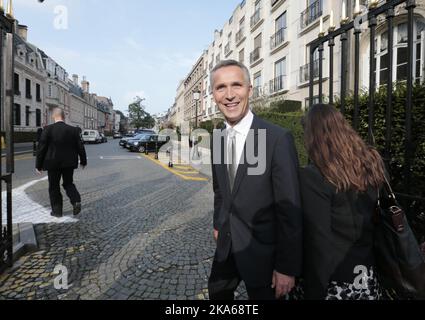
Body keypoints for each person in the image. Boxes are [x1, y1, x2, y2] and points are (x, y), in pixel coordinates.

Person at [208, 60, 302, 300]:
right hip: (227, 248)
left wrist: (286, 268)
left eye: (236, 85)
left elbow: (290, 210)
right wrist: (218, 223)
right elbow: (220, 190)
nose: (229, 95)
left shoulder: (276, 138)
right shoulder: (217, 137)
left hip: (264, 257)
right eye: (221, 87)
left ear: (250, 90)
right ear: (213, 94)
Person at [298, 104, 386, 300]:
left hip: (333, 282)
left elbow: (318, 242)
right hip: (367, 276)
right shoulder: (371, 164)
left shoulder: (314, 176)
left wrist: (313, 292)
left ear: (313, 137)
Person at [36, 108, 87, 217]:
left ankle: (57, 211)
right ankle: (76, 200)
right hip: (69, 163)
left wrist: (38, 165)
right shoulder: (74, 130)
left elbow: (41, 148)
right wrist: (83, 161)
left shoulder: (48, 129)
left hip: (52, 163)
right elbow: (80, 147)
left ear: (53, 116)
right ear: (64, 116)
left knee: (54, 186)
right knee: (68, 183)